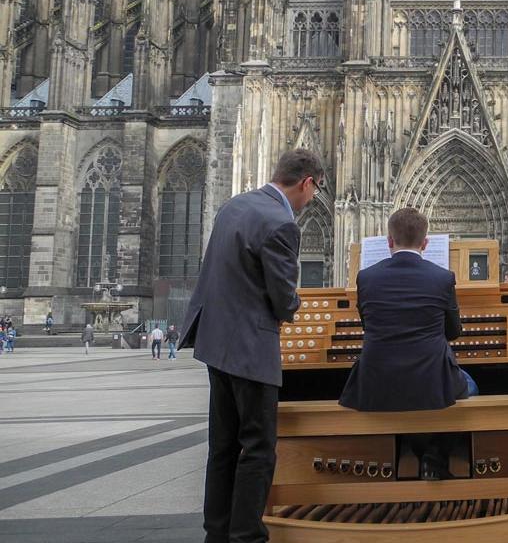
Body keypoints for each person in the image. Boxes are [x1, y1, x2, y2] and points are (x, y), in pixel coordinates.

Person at [181, 148, 324, 543]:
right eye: (313, 192)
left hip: (215, 342)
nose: (310, 201)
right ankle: (247, 536)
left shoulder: (233, 206)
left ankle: (218, 533)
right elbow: (283, 298)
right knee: (259, 449)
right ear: (306, 182)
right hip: (250, 349)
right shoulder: (281, 223)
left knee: (223, 447)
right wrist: (296, 305)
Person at [339, 208, 478, 480]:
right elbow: (453, 332)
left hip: (376, 381)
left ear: (389, 241)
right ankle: (434, 454)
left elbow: (369, 325)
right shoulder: (442, 278)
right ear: (425, 243)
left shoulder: (366, 278)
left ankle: (412, 455)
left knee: (408, 392)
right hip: (431, 381)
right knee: (470, 386)